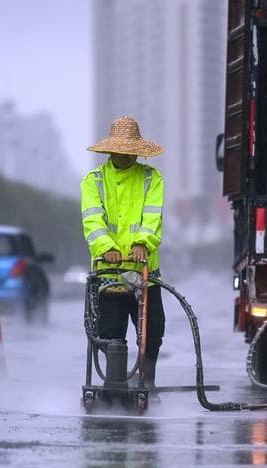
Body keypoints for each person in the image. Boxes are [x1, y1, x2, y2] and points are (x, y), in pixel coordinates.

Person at [81, 116, 166, 393]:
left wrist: (143, 243)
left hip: (145, 272)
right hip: (109, 272)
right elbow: (92, 221)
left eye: (131, 149)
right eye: (121, 149)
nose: (126, 154)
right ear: (111, 150)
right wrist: (108, 248)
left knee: (151, 331)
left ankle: (146, 381)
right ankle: (116, 380)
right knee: (110, 331)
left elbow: (152, 217)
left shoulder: (151, 178)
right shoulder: (93, 181)